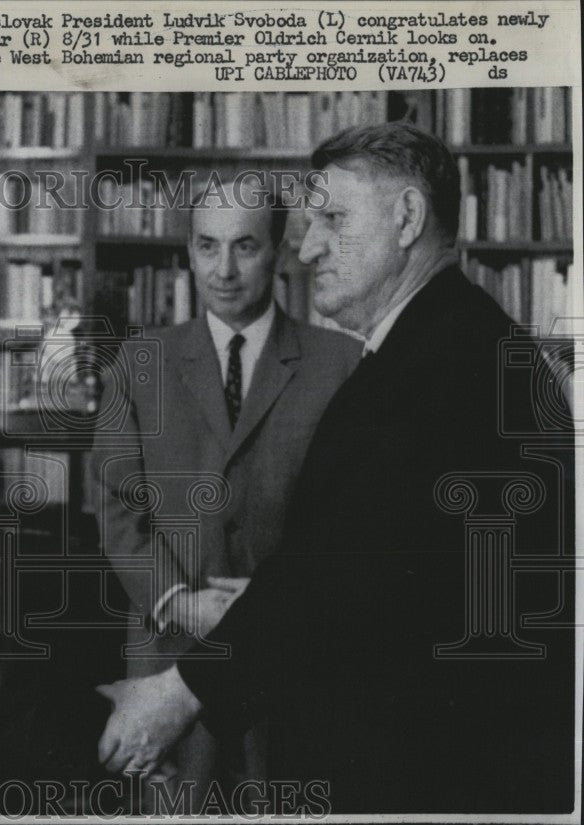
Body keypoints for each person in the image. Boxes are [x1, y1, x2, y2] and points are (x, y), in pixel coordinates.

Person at [96, 123, 575, 814]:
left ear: (407, 218)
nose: (305, 243)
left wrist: (178, 691)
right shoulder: (443, 344)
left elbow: (350, 568)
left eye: (332, 218)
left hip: (432, 775)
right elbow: (382, 572)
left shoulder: (440, 365)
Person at [92, 176, 358, 809]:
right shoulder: (138, 363)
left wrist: (264, 608)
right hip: (167, 662)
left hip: (294, 660)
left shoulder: (343, 364)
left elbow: (351, 522)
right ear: (187, 251)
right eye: (208, 247)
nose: (225, 269)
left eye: (244, 246)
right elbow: (116, 512)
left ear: (279, 251)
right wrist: (182, 604)